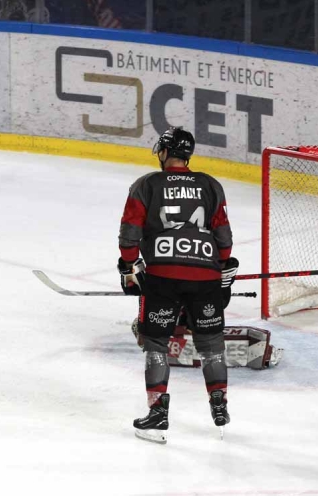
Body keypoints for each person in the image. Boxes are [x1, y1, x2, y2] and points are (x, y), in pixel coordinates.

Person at [117, 126, 237, 444]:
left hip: (163, 278)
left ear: (166, 152)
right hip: (206, 278)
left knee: (156, 345)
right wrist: (222, 271)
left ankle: (157, 412)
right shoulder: (211, 185)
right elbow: (224, 240)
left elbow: (129, 234)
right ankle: (219, 405)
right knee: (212, 347)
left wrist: (129, 267)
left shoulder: (146, 184)